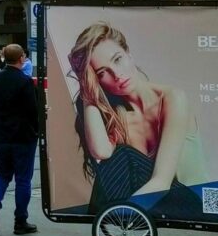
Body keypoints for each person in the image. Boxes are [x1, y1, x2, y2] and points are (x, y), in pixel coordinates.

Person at [67, 23, 207, 221]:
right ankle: (106, 227)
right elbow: (102, 151)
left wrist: (121, 215)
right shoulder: (117, 114)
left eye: (118, 59)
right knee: (116, 154)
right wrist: (87, 90)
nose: (117, 74)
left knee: (123, 153)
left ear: (129, 54)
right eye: (101, 73)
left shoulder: (173, 98)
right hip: (151, 204)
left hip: (193, 204)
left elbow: (162, 181)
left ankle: (104, 224)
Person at [0, 45, 39, 234]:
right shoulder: (25, 82)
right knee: (23, 179)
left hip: (0, 136)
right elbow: (33, 111)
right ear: (21, 59)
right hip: (22, 136)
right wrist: (36, 131)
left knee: (2, 173)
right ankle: (20, 220)